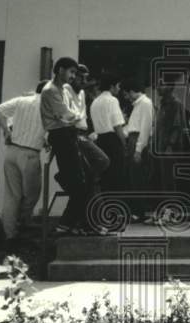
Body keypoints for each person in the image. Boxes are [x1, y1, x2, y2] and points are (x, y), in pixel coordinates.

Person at [0, 80, 47, 247]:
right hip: (30, 153)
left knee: (12, 194)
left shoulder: (22, 100)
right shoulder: (47, 105)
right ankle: (23, 223)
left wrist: (7, 130)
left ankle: (10, 234)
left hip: (12, 151)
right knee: (32, 193)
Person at [41, 58, 87, 235]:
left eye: (75, 73)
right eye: (71, 72)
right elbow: (67, 115)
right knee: (79, 183)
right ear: (60, 70)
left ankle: (73, 223)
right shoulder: (51, 90)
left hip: (68, 134)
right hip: (61, 135)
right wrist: (75, 116)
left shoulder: (63, 90)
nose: (73, 76)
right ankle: (66, 224)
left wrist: (74, 116)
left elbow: (71, 113)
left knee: (83, 179)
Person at [66, 64, 110, 231]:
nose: (83, 81)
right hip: (74, 135)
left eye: (85, 78)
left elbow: (84, 117)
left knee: (92, 179)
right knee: (100, 164)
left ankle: (89, 221)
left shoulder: (83, 94)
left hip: (84, 134)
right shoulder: (65, 93)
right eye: (80, 77)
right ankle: (90, 222)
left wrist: (91, 132)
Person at [122, 78, 155, 223]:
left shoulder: (145, 103)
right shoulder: (137, 105)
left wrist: (138, 149)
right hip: (132, 139)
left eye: (127, 94)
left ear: (131, 92)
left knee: (138, 178)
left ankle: (139, 211)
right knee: (133, 178)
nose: (127, 98)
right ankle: (137, 210)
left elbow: (145, 128)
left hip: (138, 141)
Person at [90, 73, 127, 194]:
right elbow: (117, 125)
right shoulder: (112, 100)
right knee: (116, 176)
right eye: (118, 86)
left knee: (105, 176)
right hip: (112, 141)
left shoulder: (95, 102)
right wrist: (124, 144)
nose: (119, 88)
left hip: (100, 141)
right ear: (112, 86)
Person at [155, 84, 188, 193]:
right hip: (162, 148)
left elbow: (177, 127)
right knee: (164, 179)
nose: (158, 87)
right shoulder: (163, 104)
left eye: (162, 85)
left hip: (170, 150)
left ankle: (173, 206)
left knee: (170, 180)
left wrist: (170, 146)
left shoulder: (175, 104)